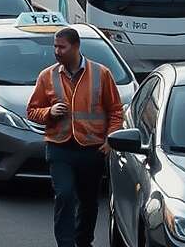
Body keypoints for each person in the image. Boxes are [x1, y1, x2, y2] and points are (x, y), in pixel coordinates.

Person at [26, 27, 123, 247]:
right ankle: (66, 243)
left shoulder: (101, 74)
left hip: (92, 148)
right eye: (55, 46)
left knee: (88, 202)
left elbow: (116, 111)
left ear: (76, 47)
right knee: (65, 195)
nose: (57, 51)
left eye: (62, 47)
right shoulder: (47, 76)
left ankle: (83, 242)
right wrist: (48, 112)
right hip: (59, 148)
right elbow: (32, 110)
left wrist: (110, 140)